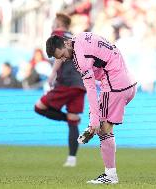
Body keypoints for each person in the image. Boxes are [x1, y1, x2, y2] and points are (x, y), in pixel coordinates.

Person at [46, 31, 137, 184]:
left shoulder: (80, 59)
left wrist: (93, 120)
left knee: (103, 129)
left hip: (114, 85)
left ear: (67, 43)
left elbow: (91, 89)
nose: (63, 59)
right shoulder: (82, 36)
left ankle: (110, 175)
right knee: (102, 126)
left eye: (62, 55)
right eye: (59, 58)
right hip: (128, 82)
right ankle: (109, 172)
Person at [34, 13, 86, 167]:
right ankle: (72, 159)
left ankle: (66, 119)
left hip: (66, 82)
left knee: (39, 107)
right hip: (80, 83)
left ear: (59, 23)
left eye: (54, 22)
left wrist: (52, 75)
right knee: (73, 120)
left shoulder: (57, 34)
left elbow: (58, 55)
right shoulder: (74, 37)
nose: (52, 25)